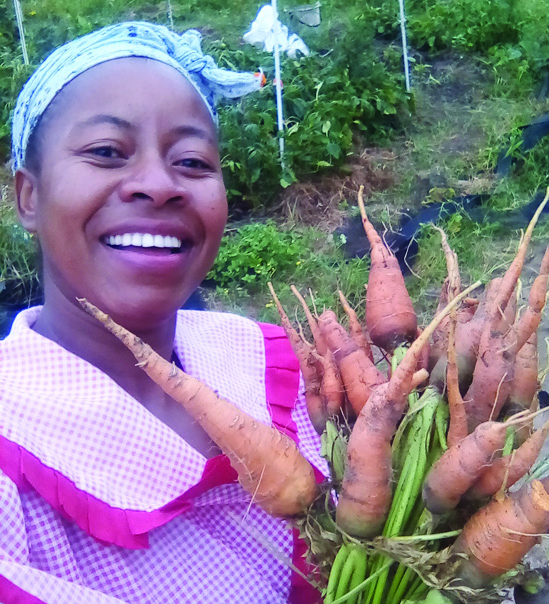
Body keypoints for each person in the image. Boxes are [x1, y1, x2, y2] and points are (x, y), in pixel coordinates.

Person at [0, 22, 325, 604]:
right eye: (105, 152)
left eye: (193, 161)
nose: (158, 183)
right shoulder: (12, 447)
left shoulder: (260, 359)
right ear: (29, 196)